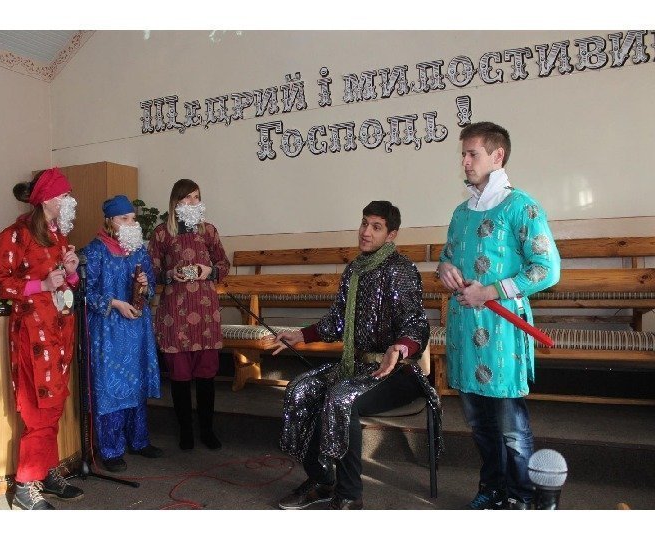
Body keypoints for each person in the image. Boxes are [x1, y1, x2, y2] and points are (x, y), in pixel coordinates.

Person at [268, 201, 442, 510]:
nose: (366, 232)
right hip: (357, 366)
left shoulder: (401, 270)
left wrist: (399, 348)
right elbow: (338, 321)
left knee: (341, 398)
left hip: (398, 374)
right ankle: (322, 481)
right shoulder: (354, 270)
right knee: (300, 389)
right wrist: (301, 335)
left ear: (391, 235)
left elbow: (416, 324)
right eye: (364, 223)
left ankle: (349, 495)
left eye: (376, 227)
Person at [437, 121, 561, 510]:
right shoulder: (461, 213)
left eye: (472, 153)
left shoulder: (522, 207)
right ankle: (491, 488)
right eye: (463, 154)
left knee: (510, 427)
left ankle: (520, 497)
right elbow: (447, 256)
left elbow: (547, 269)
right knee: (479, 424)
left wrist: (491, 291)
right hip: (465, 328)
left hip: (503, 329)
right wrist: (444, 269)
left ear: (497, 156)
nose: (465, 161)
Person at [0, 167, 84, 510]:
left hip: (60, 331)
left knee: (54, 406)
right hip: (32, 334)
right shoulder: (15, 235)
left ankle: (47, 471)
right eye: (65, 195)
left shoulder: (59, 236)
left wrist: (71, 273)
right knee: (38, 409)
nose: (70, 200)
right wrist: (39, 285)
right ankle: (26, 486)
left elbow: (65, 286)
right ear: (47, 200)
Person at [81, 195, 163, 473]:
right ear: (110, 221)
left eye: (133, 218)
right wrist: (115, 303)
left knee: (136, 383)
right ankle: (111, 449)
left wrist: (144, 285)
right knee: (111, 386)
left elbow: (151, 287)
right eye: (124, 218)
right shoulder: (94, 251)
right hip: (108, 331)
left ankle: (139, 440)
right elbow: (85, 292)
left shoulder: (139, 251)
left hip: (136, 328)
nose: (131, 223)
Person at [148, 179, 231, 451]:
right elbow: (151, 272)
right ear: (175, 202)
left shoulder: (209, 231)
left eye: (196, 197)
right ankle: (185, 431)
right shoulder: (162, 233)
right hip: (175, 313)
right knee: (180, 376)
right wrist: (170, 274)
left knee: (206, 375)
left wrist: (210, 271)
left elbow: (223, 263)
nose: (192, 202)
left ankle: (207, 430)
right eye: (186, 198)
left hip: (205, 312)